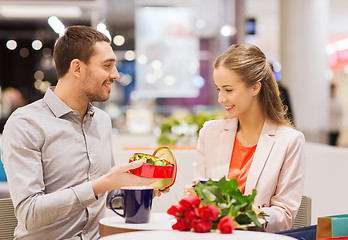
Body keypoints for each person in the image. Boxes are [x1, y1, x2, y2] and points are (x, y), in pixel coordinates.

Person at [1, 25, 162, 239]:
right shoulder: (26, 123)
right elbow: (29, 214)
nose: (115, 74)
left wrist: (138, 189)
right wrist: (102, 184)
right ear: (77, 68)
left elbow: (105, 196)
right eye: (107, 65)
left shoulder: (101, 121)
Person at [190, 44, 305, 232]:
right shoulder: (210, 133)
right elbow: (198, 190)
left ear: (255, 87)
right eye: (218, 89)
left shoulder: (289, 141)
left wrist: (246, 214)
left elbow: (285, 215)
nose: (220, 98)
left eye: (228, 90)